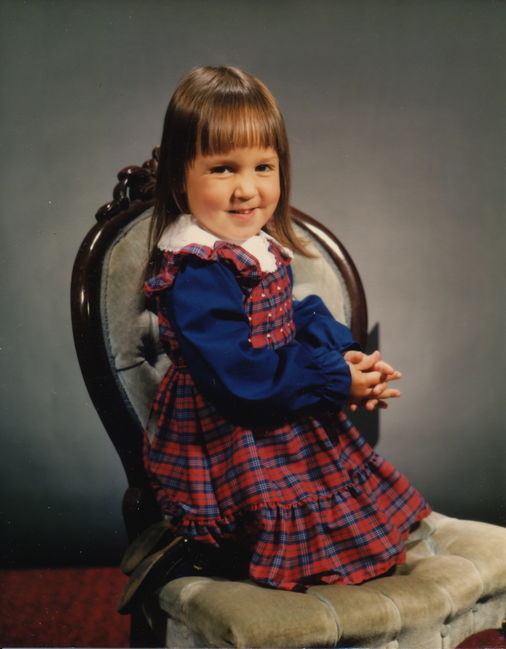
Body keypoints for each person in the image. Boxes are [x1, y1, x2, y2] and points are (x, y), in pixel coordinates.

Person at [142, 65, 431, 592]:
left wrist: (343, 358)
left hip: (277, 399)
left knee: (338, 491)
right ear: (181, 174)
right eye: (223, 169)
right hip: (233, 424)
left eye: (264, 167)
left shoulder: (256, 249)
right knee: (280, 510)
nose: (247, 190)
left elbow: (291, 315)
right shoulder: (199, 269)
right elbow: (240, 376)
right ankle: (244, 558)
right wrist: (330, 381)